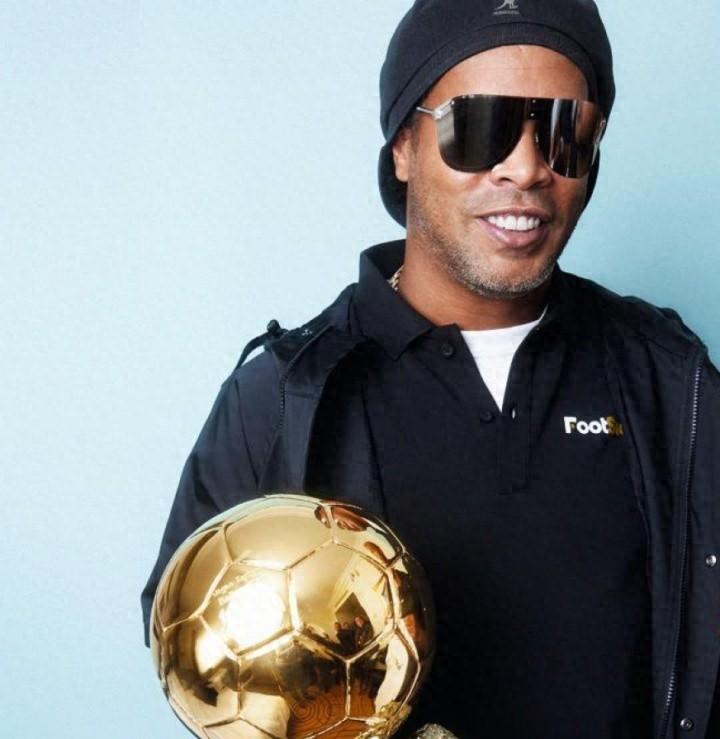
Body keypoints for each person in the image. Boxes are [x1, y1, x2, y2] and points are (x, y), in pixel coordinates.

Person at [141, 1, 720, 737]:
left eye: (562, 131)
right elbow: (198, 653)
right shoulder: (286, 396)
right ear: (403, 148)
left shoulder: (670, 379)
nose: (526, 167)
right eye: (479, 127)